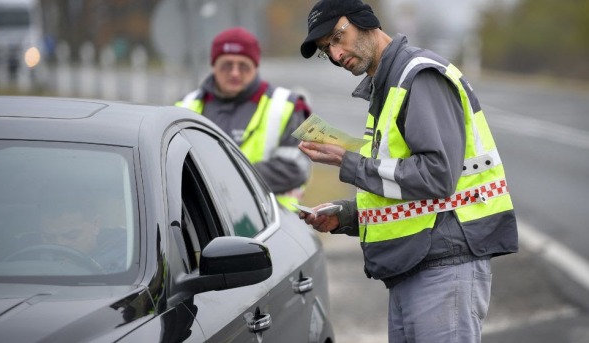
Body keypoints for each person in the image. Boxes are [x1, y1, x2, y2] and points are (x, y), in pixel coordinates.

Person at [297, 1, 518, 342]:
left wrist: (347, 161)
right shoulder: (387, 87)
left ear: (365, 21)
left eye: (338, 37)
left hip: (444, 266)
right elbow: (401, 186)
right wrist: (347, 216)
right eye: (328, 49)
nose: (338, 54)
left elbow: (437, 176)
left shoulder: (418, 76)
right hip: (416, 266)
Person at [176, 26, 312, 211]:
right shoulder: (185, 106)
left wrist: (228, 180)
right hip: (204, 222)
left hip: (272, 224)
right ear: (213, 66)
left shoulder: (287, 106)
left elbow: (296, 167)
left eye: (243, 66)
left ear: (255, 67)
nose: (234, 73)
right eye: (226, 65)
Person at [40, 208, 127, 274]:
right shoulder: (30, 262)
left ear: (96, 224)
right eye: (49, 237)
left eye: (71, 235)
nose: (59, 244)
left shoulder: (125, 266)